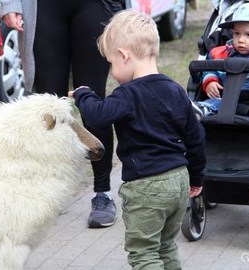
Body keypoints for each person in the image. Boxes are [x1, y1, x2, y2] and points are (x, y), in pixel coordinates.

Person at [69, 10, 206, 269]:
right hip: (179, 180)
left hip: (147, 188)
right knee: (166, 246)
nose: (112, 70)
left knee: (144, 254)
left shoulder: (126, 96)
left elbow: (97, 117)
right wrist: (196, 177)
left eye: (111, 63)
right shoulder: (176, 90)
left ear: (123, 55)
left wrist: (84, 94)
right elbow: (196, 137)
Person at [0, 0, 125, 228]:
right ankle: (50, 191)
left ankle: (103, 192)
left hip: (94, 6)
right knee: (49, 105)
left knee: (93, 100)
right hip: (44, 8)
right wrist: (9, 4)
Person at [195, 2, 249, 125]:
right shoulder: (221, 53)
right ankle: (201, 111)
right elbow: (209, 69)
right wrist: (210, 80)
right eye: (236, 33)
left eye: (248, 35)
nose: (241, 40)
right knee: (214, 103)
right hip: (227, 100)